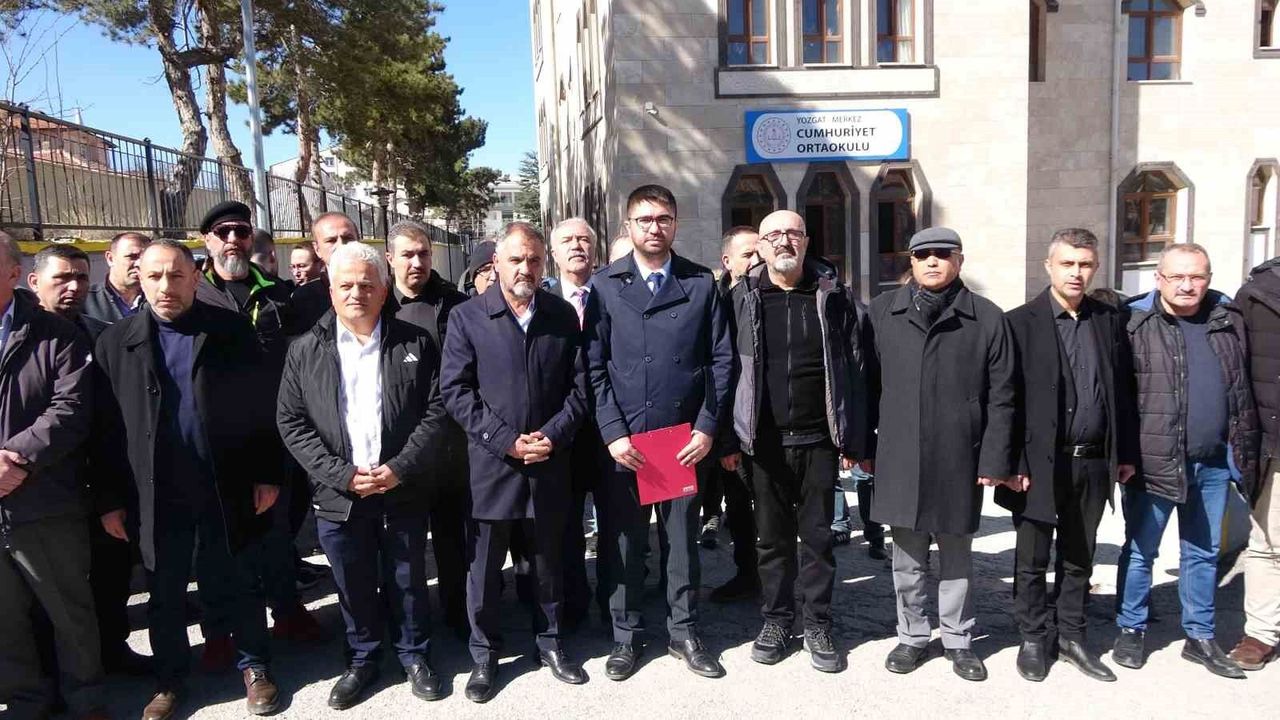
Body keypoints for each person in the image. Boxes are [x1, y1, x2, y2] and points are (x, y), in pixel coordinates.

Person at [94, 239, 282, 720]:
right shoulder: (116, 343)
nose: (165, 286)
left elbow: (260, 408)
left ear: (195, 278)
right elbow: (105, 430)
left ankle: (254, 666)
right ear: (139, 278)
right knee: (166, 591)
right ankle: (170, 679)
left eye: (176, 276)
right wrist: (110, 499)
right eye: (154, 276)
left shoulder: (230, 331)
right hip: (155, 492)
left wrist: (266, 473)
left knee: (240, 576)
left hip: (225, 480)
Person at [277, 242, 448, 709]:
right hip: (340, 494)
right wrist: (342, 475)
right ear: (330, 290)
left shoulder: (415, 343)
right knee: (352, 583)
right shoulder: (305, 350)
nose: (357, 293)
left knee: (407, 577)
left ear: (384, 290)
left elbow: (435, 411)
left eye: (367, 285)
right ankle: (362, 658)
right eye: (346, 285)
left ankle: (414, 654)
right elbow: (291, 423)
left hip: (401, 488)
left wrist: (400, 468)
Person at [588, 184, 734, 681]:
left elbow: (721, 361)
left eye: (664, 219)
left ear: (675, 224)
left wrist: (707, 427)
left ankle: (684, 632)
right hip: (627, 442)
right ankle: (626, 636)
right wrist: (612, 432)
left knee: (682, 544)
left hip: (680, 439)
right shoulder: (606, 285)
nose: (655, 228)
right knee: (625, 544)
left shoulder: (701, 283)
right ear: (628, 226)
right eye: (645, 220)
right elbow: (594, 367)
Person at [441, 221, 591, 702]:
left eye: (533, 259)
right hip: (492, 468)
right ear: (496, 264)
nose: (525, 268)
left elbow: (580, 389)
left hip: (548, 463)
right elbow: (455, 392)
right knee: (484, 572)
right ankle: (485, 654)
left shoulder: (561, 315)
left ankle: (550, 643)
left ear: (544, 263)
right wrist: (505, 441)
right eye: (515, 259)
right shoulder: (467, 317)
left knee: (547, 563)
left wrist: (553, 436)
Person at [865, 227, 1015, 682]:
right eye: (923, 254)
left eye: (943, 254)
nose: (933, 261)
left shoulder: (986, 317)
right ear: (910, 262)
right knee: (907, 558)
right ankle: (912, 636)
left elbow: (1003, 395)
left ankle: (957, 639)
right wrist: (863, 446)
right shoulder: (882, 312)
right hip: (900, 453)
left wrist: (994, 458)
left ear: (959, 260)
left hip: (959, 455)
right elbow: (865, 384)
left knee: (956, 557)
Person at [722, 210, 866, 673]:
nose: (784, 241)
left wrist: (853, 436)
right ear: (761, 247)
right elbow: (723, 370)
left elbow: (855, 366)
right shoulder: (740, 297)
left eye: (793, 233)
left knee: (819, 539)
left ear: (806, 240)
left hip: (819, 439)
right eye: (773, 235)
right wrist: (728, 438)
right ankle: (777, 620)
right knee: (772, 541)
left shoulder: (833, 296)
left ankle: (819, 623)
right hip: (762, 441)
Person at [996, 228, 1138, 683]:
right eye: (1068, 263)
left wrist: (1124, 452)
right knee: (1032, 558)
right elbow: (1004, 398)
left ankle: (1073, 637)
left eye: (1085, 264)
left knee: (1079, 555)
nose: (1076, 273)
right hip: (1038, 464)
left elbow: (1122, 391)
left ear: (1095, 267)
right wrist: (1009, 463)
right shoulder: (1019, 323)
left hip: (1093, 461)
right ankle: (1033, 638)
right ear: (1049, 266)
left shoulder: (1108, 319)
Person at [1114, 243, 1259, 679]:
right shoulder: (1134, 322)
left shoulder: (1228, 320)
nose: (1186, 285)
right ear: (1158, 278)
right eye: (1177, 276)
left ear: (1208, 278)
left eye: (1196, 276)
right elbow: (1120, 396)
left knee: (1203, 552)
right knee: (1141, 550)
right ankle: (1131, 627)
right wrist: (1123, 454)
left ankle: (1200, 636)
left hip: (1212, 462)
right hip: (1152, 460)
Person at [194, 201, 324, 666]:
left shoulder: (277, 294)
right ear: (207, 240)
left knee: (277, 530)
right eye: (223, 232)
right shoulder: (192, 292)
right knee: (216, 542)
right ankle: (218, 631)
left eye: (241, 232)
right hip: (215, 439)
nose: (233, 240)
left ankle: (287, 611)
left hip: (274, 434)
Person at [27, 245, 148, 679]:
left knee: (110, 574)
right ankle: (50, 674)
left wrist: (114, 490)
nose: (74, 286)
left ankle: (112, 650)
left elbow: (117, 417)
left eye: (81, 277)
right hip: (40, 484)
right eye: (62, 278)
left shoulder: (102, 336)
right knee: (47, 589)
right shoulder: (19, 339)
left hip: (102, 482)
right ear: (34, 282)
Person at [0, 234, 108, 720]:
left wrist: (15, 460)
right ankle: (27, 701)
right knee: (5, 619)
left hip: (44, 499)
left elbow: (70, 408)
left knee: (69, 611)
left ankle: (86, 700)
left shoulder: (56, 335)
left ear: (13, 273)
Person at [384, 220, 472, 637]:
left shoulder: (456, 304)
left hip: (453, 445)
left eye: (423, 253)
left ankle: (459, 615)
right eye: (407, 254)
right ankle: (410, 626)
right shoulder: (379, 304)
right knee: (407, 545)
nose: (417, 262)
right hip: (402, 447)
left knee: (456, 539)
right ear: (390, 258)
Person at [546, 217, 610, 630]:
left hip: (609, 429)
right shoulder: (541, 301)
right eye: (567, 240)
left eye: (584, 239)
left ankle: (615, 605)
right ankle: (573, 603)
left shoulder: (613, 295)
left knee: (615, 523)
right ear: (553, 252)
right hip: (562, 430)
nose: (576, 246)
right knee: (565, 524)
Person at [708, 225, 762, 602]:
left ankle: (778, 581)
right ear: (727, 261)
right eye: (748, 255)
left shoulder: (771, 294)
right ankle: (747, 575)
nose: (757, 260)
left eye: (760, 252)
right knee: (740, 505)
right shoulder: (716, 303)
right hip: (731, 427)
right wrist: (725, 439)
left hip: (769, 424)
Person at [1232, 254, 1280, 670]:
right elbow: (1234, 371)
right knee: (1267, 542)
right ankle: (1261, 633)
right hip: (1274, 443)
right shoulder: (1257, 295)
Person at [292, 212, 361, 332]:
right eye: (331, 240)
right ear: (317, 249)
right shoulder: (304, 297)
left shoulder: (379, 286)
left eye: (348, 238)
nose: (341, 245)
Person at [85, 231, 150, 323]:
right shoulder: (86, 300)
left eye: (145, 258)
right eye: (132, 257)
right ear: (110, 259)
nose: (139, 263)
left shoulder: (159, 299)